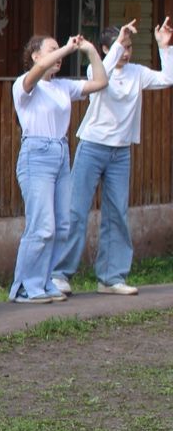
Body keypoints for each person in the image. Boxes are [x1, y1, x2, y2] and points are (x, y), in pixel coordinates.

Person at [54, 18, 173, 296]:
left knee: (117, 212)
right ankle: (60, 273)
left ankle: (111, 277)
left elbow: (168, 78)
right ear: (106, 49)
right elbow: (100, 78)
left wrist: (163, 47)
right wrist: (117, 45)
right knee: (76, 210)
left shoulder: (137, 73)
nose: (127, 52)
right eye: (122, 46)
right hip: (92, 146)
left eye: (130, 47)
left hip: (121, 151)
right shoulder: (99, 69)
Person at [10, 34, 107, 303]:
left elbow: (101, 81)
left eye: (59, 53)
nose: (60, 57)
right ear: (36, 56)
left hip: (61, 152)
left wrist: (88, 50)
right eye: (52, 51)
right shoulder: (25, 85)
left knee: (62, 225)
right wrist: (66, 47)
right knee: (41, 225)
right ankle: (24, 286)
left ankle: (45, 280)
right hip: (36, 154)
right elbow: (38, 72)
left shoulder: (63, 87)